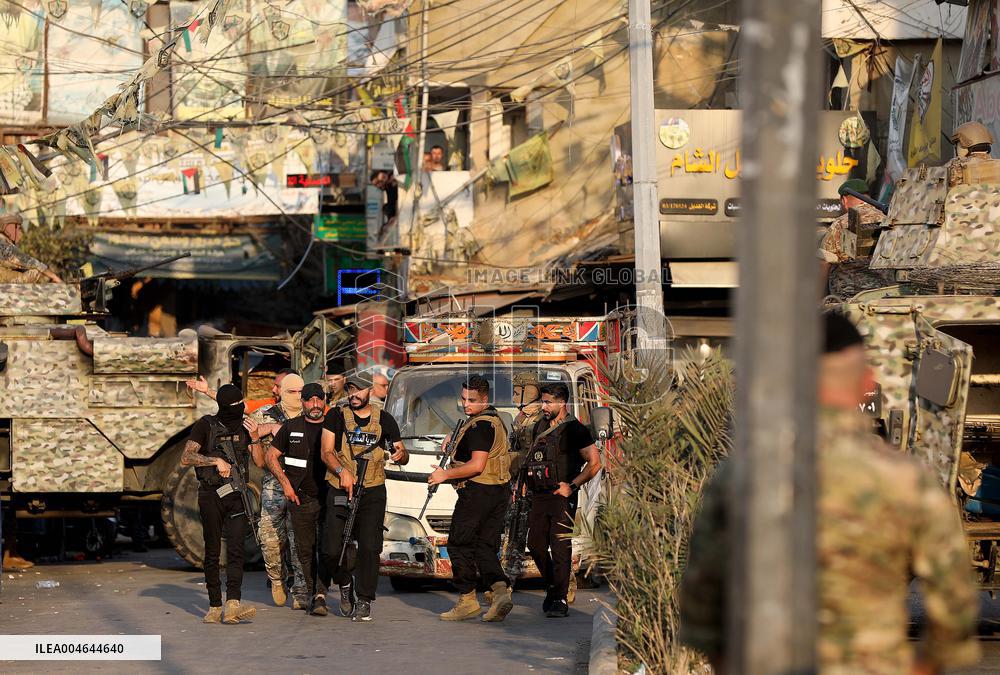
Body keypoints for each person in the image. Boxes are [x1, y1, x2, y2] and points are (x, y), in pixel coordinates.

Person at [679, 313, 981, 673]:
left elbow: (703, 601)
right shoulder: (907, 481)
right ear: (866, 382)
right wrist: (922, 668)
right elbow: (955, 606)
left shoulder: (740, 478)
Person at [320, 371, 408, 622]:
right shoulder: (336, 416)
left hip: (372, 489)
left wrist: (401, 455)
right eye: (350, 390)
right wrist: (342, 472)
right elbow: (326, 452)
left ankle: (364, 599)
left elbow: (401, 452)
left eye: (358, 390)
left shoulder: (384, 419)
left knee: (370, 547)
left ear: (370, 390)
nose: (353, 395)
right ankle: (345, 583)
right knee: (331, 548)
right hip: (341, 487)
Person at [429, 375, 514, 622]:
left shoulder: (481, 427)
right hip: (497, 491)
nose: (466, 404)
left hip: (478, 492)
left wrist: (444, 474)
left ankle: (467, 599)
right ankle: (500, 593)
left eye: (472, 400)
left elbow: (477, 465)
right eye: (464, 398)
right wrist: (453, 439)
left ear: (485, 399)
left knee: (459, 544)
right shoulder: (491, 420)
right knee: (484, 545)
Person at [180, 383, 260, 624]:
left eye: (241, 403)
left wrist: (255, 438)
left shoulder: (247, 426)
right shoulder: (206, 425)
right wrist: (215, 461)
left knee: (236, 550)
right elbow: (186, 457)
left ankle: (233, 603)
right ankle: (214, 605)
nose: (241, 407)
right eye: (236, 404)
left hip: (238, 496)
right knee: (213, 550)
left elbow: (259, 461)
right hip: (211, 495)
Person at [525, 382, 601, 618]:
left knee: (559, 547)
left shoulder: (575, 429)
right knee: (535, 544)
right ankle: (553, 585)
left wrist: (573, 486)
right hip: (539, 495)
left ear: (562, 402)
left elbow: (595, 463)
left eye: (548, 402)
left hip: (561, 496)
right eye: (543, 402)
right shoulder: (540, 426)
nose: (544, 407)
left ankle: (559, 598)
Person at [265, 383, 329, 616]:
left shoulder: (333, 426)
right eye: (310, 400)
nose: (315, 404)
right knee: (305, 550)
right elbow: (270, 456)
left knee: (330, 548)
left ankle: (333, 590)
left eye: (319, 399)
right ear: (302, 402)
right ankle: (315, 594)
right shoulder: (291, 427)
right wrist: (285, 484)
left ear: (324, 401)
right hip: (301, 499)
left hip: (330, 497)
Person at [249, 373, 307, 609]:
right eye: (291, 392)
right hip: (273, 485)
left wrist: (278, 429)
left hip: (302, 485)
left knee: (299, 540)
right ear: (281, 391)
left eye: (300, 392)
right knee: (270, 538)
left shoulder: (311, 413)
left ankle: (301, 590)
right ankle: (276, 579)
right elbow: (259, 461)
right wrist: (259, 434)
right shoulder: (263, 414)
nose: (297, 396)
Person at [817, 179, 887, 292]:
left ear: (844, 200)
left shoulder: (841, 224)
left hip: (849, 294)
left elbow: (825, 262)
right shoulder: (886, 219)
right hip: (884, 293)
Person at [187, 367, 299, 414]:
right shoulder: (271, 404)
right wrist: (207, 391)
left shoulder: (307, 409)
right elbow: (238, 405)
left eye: (278, 386)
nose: (273, 390)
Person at [0, 212, 61, 283]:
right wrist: (54, 276)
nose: (20, 233)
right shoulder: (3, 243)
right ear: (9, 228)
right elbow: (29, 262)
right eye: (18, 228)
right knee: (37, 274)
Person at [370, 170, 398, 245]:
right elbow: (391, 201)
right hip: (397, 208)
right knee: (386, 208)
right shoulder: (388, 187)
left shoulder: (391, 177)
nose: (378, 185)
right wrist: (391, 217)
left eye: (377, 182)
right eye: (376, 185)